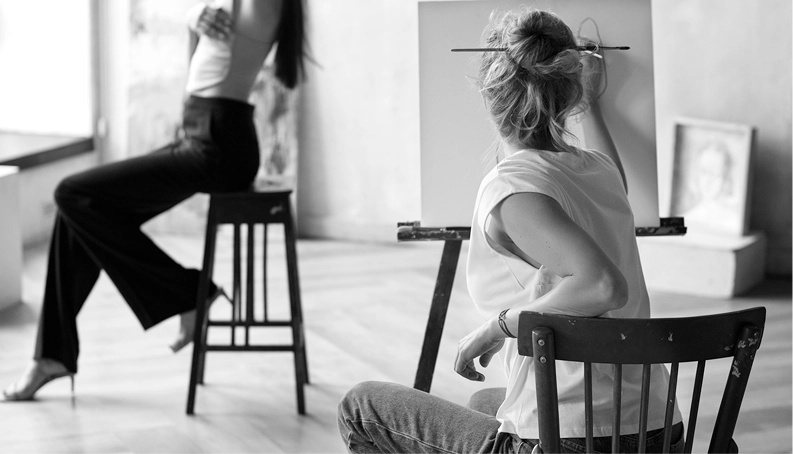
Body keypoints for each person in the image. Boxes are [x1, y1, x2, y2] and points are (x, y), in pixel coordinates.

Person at [337, 7, 684, 454]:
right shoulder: (599, 171)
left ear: (488, 93)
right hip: (656, 428)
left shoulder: (513, 189)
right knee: (485, 399)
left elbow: (601, 286)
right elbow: (611, 172)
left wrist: (496, 326)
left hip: (579, 440)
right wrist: (591, 104)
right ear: (569, 91)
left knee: (360, 407)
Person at [3, 0, 306, 401]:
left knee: (72, 193)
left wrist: (195, 14)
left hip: (218, 142)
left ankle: (186, 292)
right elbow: (204, 44)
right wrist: (191, 18)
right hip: (205, 132)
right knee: (79, 213)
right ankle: (52, 356)